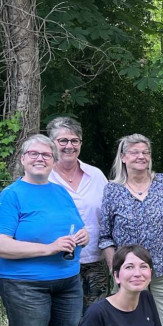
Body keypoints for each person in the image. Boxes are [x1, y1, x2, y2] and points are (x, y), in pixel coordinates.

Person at [0, 135, 88, 326]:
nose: (40, 158)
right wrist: (49, 248)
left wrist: (82, 237)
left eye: (46, 154)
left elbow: (75, 226)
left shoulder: (60, 192)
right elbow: (2, 245)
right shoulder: (11, 195)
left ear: (53, 160)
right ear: (22, 159)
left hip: (67, 281)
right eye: (33, 153)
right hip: (26, 285)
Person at [99, 134, 163, 326]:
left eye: (145, 152)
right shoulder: (112, 190)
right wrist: (114, 268)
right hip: (129, 273)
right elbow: (105, 235)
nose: (141, 156)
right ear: (123, 157)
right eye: (135, 152)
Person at [47, 117, 109, 313]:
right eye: (62, 141)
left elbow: (108, 216)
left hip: (95, 261)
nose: (69, 146)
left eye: (75, 141)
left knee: (95, 318)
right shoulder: (43, 178)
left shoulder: (96, 175)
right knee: (64, 320)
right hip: (57, 262)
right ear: (51, 143)